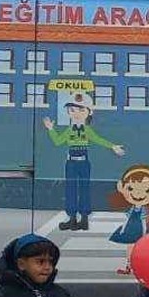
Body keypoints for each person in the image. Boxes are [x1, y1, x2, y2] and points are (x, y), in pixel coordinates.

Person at [43, 91, 125, 231]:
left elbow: (98, 139)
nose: (76, 113)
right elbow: (58, 141)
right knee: (71, 190)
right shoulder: (69, 130)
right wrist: (51, 129)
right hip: (71, 162)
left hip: (83, 161)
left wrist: (112, 146)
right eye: (72, 110)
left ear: (89, 112)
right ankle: (73, 219)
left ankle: (84, 219)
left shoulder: (87, 131)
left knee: (84, 189)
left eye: (81, 110)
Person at [109, 165, 149, 274]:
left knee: (144, 249)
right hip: (131, 231)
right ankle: (129, 266)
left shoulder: (145, 211)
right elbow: (128, 220)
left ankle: (143, 266)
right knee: (131, 247)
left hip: (141, 232)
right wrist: (123, 229)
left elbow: (146, 222)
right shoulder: (132, 209)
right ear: (122, 187)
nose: (138, 193)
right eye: (131, 188)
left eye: (147, 190)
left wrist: (144, 233)